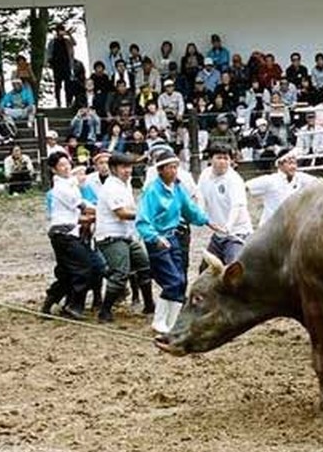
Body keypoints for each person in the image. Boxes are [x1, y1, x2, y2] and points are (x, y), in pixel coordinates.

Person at [137, 146, 222, 343]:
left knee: (181, 280)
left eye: (176, 167)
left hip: (174, 237)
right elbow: (142, 220)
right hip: (158, 240)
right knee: (172, 280)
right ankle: (159, 321)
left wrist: (207, 221)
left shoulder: (177, 188)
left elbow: (189, 209)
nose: (174, 171)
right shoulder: (151, 191)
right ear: (160, 170)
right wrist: (155, 238)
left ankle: (172, 321)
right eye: (170, 167)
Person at [94, 152, 154, 322]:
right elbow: (121, 213)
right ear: (114, 169)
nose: (128, 171)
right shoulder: (111, 187)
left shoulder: (124, 185)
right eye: (124, 167)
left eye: (129, 167)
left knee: (144, 266)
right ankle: (105, 311)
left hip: (125, 235)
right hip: (111, 237)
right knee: (120, 274)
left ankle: (149, 304)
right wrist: (145, 215)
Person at [40, 153, 96, 320]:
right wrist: (105, 211)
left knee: (66, 271)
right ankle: (73, 306)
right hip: (65, 234)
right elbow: (83, 206)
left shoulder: (69, 185)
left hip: (64, 233)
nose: (66, 167)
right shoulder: (62, 188)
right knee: (84, 267)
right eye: (61, 165)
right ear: (54, 169)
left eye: (67, 164)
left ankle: (51, 302)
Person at [196, 143, 253, 264]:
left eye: (226, 158)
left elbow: (237, 206)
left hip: (237, 233)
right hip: (218, 234)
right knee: (205, 270)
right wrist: (201, 217)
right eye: (219, 157)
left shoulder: (234, 179)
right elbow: (201, 197)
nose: (222, 162)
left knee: (232, 269)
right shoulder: (205, 174)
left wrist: (228, 226)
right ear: (211, 159)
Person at [246, 149, 320, 227]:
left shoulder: (300, 177)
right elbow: (246, 187)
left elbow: (320, 183)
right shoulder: (270, 180)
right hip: (270, 229)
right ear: (280, 165)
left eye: (295, 163)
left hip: (290, 227)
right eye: (290, 163)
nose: (293, 167)